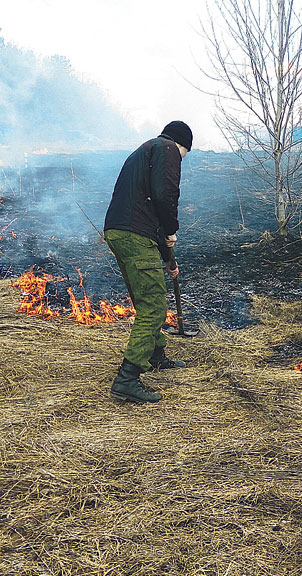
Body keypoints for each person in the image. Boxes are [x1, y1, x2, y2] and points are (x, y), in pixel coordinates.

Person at [103, 120, 192, 403]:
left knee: (145, 299)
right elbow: (166, 196)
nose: (181, 161)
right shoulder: (167, 149)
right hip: (135, 234)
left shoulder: (144, 151)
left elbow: (149, 200)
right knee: (153, 306)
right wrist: (170, 230)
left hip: (118, 231)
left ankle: (156, 355)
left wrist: (167, 257)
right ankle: (127, 379)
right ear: (181, 145)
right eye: (184, 155)